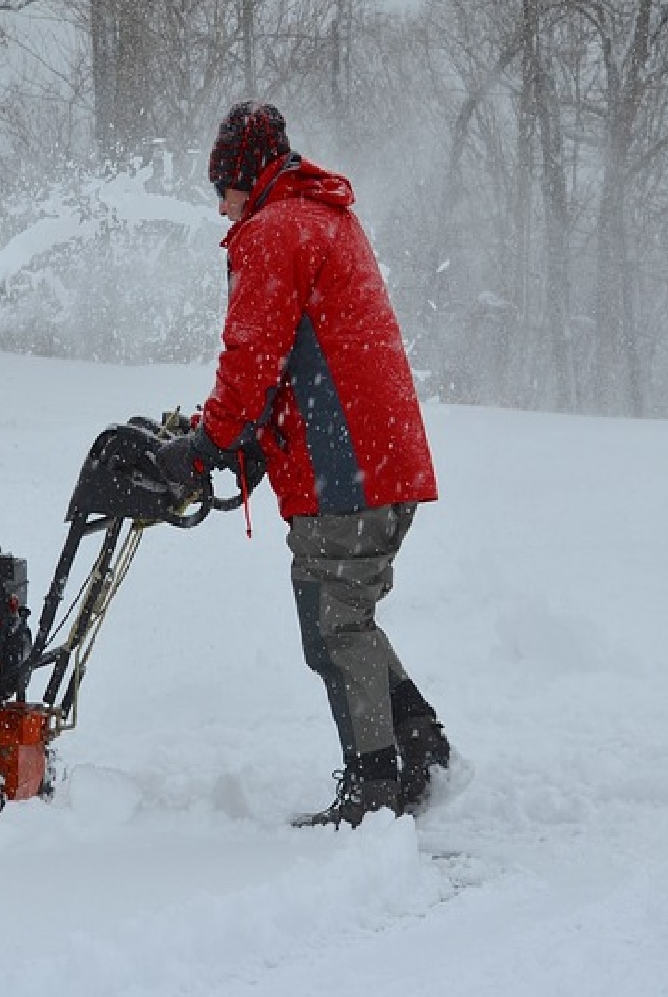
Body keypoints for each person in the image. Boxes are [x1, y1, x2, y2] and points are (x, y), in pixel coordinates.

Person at [158, 101, 450, 829]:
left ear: (245, 177)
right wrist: (247, 440)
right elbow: (301, 354)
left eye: (221, 188)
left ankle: (375, 787)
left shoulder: (272, 229)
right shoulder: (323, 217)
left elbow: (253, 354)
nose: (220, 207)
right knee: (345, 616)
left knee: (332, 624)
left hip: (346, 468)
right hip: (378, 460)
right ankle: (421, 744)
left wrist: (212, 441)